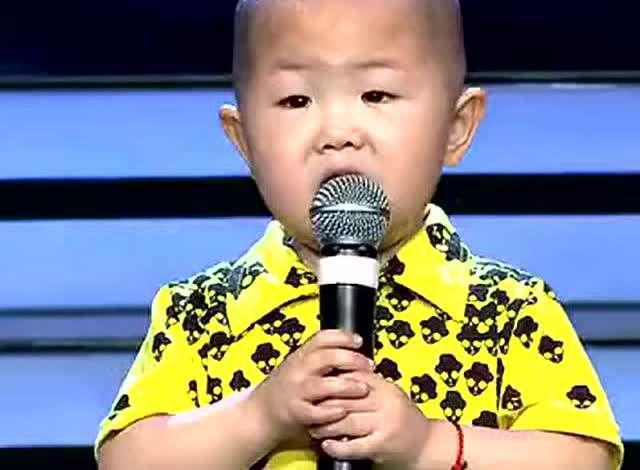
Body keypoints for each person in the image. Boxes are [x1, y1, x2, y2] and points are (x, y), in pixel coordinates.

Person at [96, 0, 623, 468]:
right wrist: (260, 414)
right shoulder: (202, 313)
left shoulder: (508, 309)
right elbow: (126, 459)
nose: (338, 133)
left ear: (456, 128)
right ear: (244, 141)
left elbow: (584, 456)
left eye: (376, 94)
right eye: (296, 101)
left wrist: (428, 445)